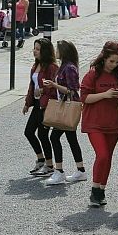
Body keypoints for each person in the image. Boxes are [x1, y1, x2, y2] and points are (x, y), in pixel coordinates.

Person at [80, 41, 118, 207]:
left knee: (108, 158)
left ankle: (101, 190)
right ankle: (94, 190)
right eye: (111, 61)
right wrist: (105, 94)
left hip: (113, 122)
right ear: (104, 58)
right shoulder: (93, 74)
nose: (113, 65)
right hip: (94, 122)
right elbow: (84, 97)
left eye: (117, 62)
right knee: (102, 155)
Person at [42, 41, 87, 186]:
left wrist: (54, 85)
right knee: (71, 139)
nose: (56, 51)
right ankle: (80, 170)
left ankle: (59, 171)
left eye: (58, 49)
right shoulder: (65, 66)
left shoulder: (69, 68)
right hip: (66, 107)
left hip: (68, 107)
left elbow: (72, 90)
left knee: (55, 137)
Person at [23, 38, 58, 177]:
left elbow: (55, 88)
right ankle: (41, 159)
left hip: (47, 104)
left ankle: (50, 165)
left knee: (43, 134)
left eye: (38, 49)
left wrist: (43, 90)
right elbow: (32, 86)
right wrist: (27, 102)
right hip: (37, 104)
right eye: (34, 48)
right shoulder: (35, 66)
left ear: (45, 51)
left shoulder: (52, 67)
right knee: (29, 132)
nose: (35, 51)